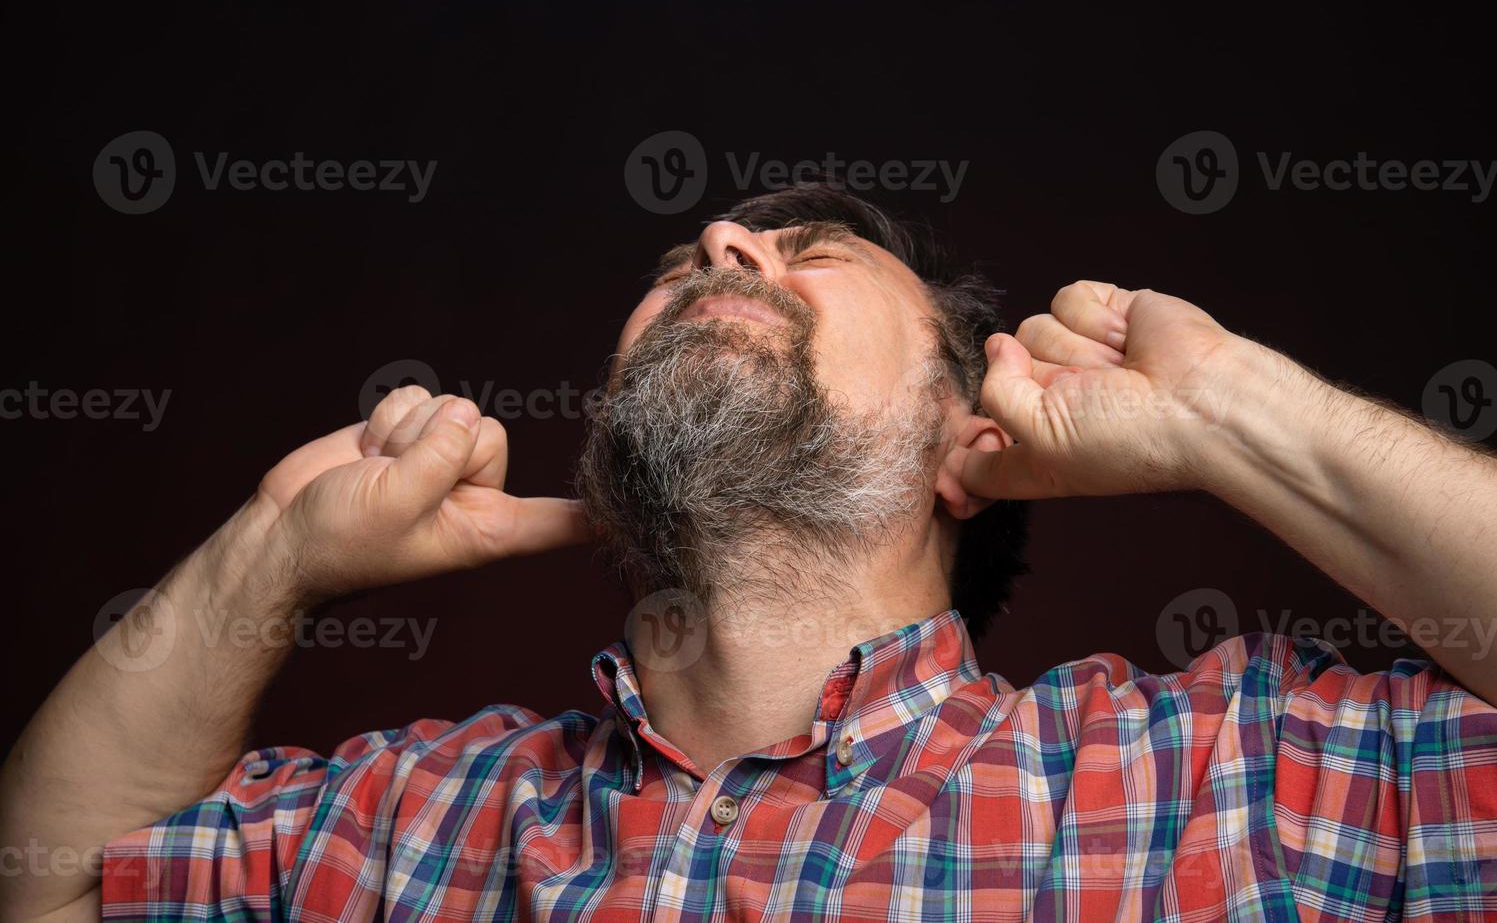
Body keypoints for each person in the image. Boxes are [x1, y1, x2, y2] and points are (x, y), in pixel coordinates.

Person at [3, 184, 1496, 921]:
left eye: (814, 255)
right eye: (692, 264)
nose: (720, 240)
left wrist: (1236, 415)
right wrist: (278, 553)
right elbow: (51, 888)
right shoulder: (423, 819)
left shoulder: (1221, 783)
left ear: (964, 438)